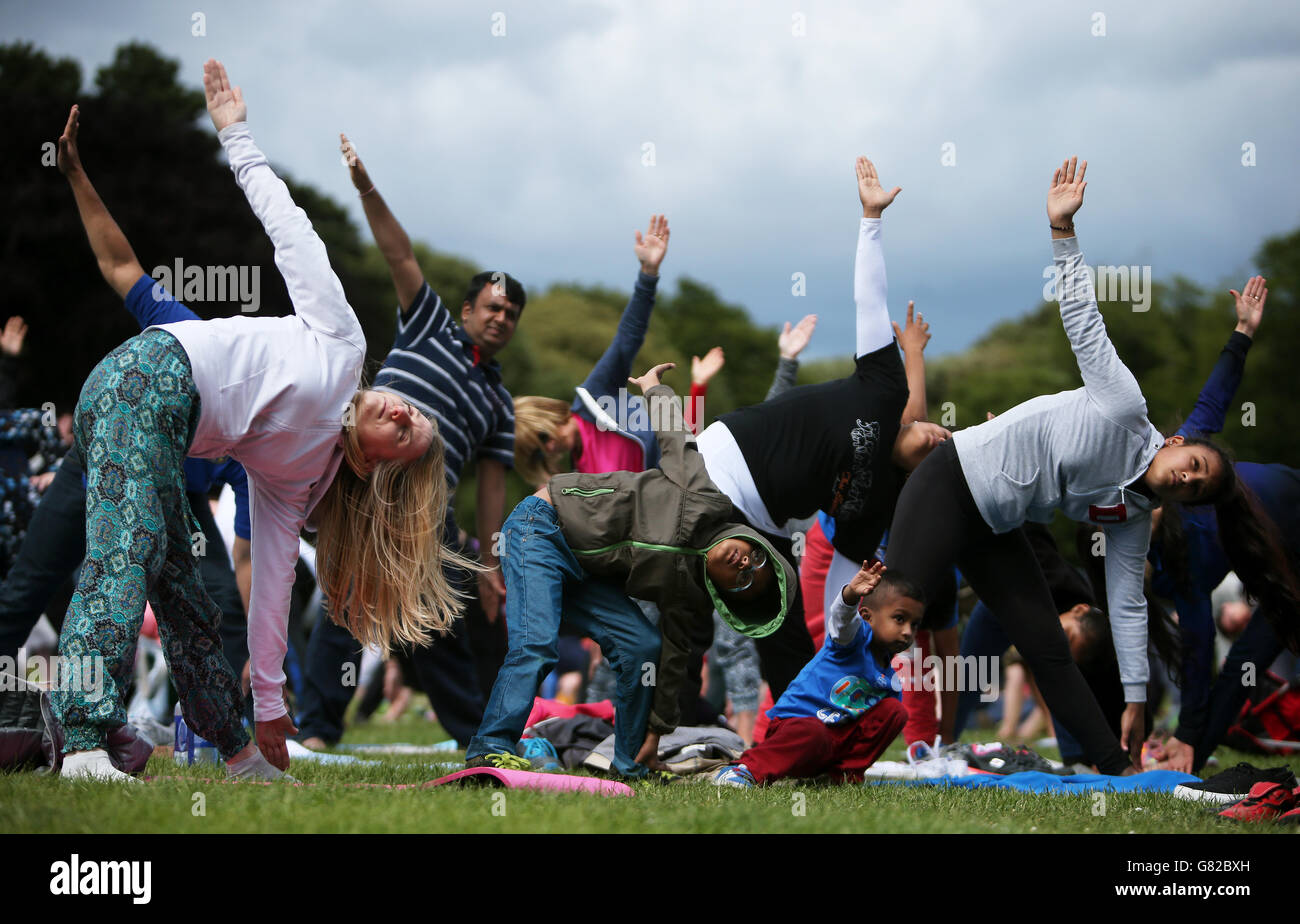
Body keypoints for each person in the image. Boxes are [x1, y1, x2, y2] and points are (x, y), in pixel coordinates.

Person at [52, 60, 467, 782]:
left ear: (370, 465)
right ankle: (82, 742)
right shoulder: (344, 347)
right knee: (128, 553)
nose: (402, 409)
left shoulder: (292, 483)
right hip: (141, 380)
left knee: (188, 599)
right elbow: (292, 232)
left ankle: (239, 753)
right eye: (413, 412)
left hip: (163, 424)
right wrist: (236, 136)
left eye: (404, 433)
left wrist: (272, 706)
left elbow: (272, 590)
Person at [884, 157, 1293, 774]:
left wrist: (1134, 698)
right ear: (1179, 441)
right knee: (897, 610)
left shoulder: (1133, 515)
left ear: (1185, 503)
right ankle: (831, 726)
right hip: (951, 481)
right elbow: (1082, 318)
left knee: (1049, 646)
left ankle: (1116, 767)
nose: (1188, 476)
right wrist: (1062, 231)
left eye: (1197, 487)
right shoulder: (1124, 406)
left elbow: (1128, 605)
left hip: (999, 527)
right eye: (1194, 463)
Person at [294, 131, 528, 750]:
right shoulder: (428, 328)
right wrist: (366, 187)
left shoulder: (499, 402)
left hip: (430, 514)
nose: (501, 318)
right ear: (468, 308)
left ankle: (473, 736)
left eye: (511, 314)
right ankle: (317, 731)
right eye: (492, 307)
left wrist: (491, 563)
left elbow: (493, 488)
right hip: (369, 476)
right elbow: (400, 257)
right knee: (345, 601)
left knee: (444, 621)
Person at [694, 157, 949, 700]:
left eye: (939, 457)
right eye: (941, 434)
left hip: (758, 519)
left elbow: (843, 590)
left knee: (783, 633)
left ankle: (803, 734)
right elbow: (869, 300)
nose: (937, 440)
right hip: (724, 461)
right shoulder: (884, 389)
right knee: (690, 596)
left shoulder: (877, 504)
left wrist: (844, 635)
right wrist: (871, 218)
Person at [465, 363, 797, 778]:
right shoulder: (704, 497)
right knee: (538, 644)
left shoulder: (689, 595)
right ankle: (490, 746)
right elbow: (678, 438)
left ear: (729, 596)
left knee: (642, 646)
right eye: (758, 557)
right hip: (543, 525)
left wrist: (656, 733)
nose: (746, 564)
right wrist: (654, 388)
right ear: (754, 541)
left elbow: (674, 664)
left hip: (584, 571)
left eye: (746, 581)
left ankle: (627, 762)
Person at [1142, 277, 1300, 772]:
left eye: (1195, 475)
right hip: (1282, 577)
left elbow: (1214, 398)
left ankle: (1189, 749)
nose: (1189, 478)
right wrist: (1188, 735)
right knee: (1240, 669)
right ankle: (1189, 756)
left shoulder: (1180, 454)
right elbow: (1196, 649)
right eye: (1190, 482)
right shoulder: (1178, 572)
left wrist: (1243, 333)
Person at [714, 562, 922, 786]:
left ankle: (840, 776)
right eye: (899, 619)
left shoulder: (890, 682)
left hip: (831, 744)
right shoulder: (852, 641)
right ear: (867, 616)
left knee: (895, 711)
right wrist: (850, 595)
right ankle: (746, 770)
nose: (907, 631)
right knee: (813, 733)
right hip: (796, 730)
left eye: (914, 624)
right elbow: (842, 620)